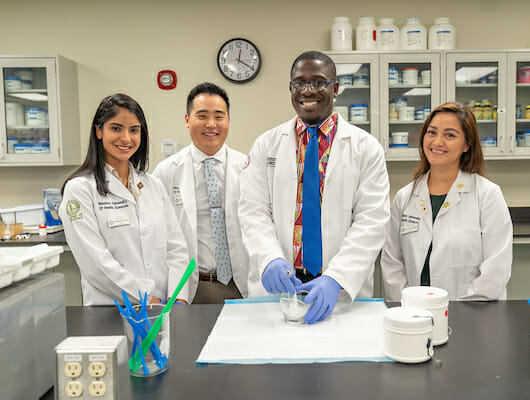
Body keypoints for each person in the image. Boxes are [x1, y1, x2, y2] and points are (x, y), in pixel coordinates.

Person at [238, 51, 390, 324]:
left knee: (341, 364)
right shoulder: (266, 145)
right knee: (274, 361)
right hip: (281, 286)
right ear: (290, 89)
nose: (308, 91)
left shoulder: (366, 148)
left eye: (319, 83)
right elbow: (253, 210)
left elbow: (372, 221)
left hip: (337, 286)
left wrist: (336, 278)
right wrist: (270, 259)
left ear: (335, 88)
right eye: (299, 83)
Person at [59, 94, 191, 306]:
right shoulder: (80, 189)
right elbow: (96, 263)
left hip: (164, 310)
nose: (126, 138)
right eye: (116, 128)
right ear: (99, 131)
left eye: (134, 130)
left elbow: (176, 248)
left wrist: (179, 298)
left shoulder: (153, 185)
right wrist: (147, 297)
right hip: (112, 311)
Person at [381, 102, 512, 301]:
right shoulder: (405, 197)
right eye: (431, 132)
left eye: (450, 135)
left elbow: (496, 268)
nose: (437, 141)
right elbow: (392, 262)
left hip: (471, 314)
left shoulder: (487, 195)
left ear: (467, 144)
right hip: (413, 315)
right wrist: (407, 306)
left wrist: (461, 310)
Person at [153, 83, 249, 303]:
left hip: (240, 286)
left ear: (228, 120)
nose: (211, 124)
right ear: (187, 120)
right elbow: (156, 235)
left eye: (219, 116)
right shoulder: (166, 171)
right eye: (202, 116)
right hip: (191, 289)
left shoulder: (246, 167)